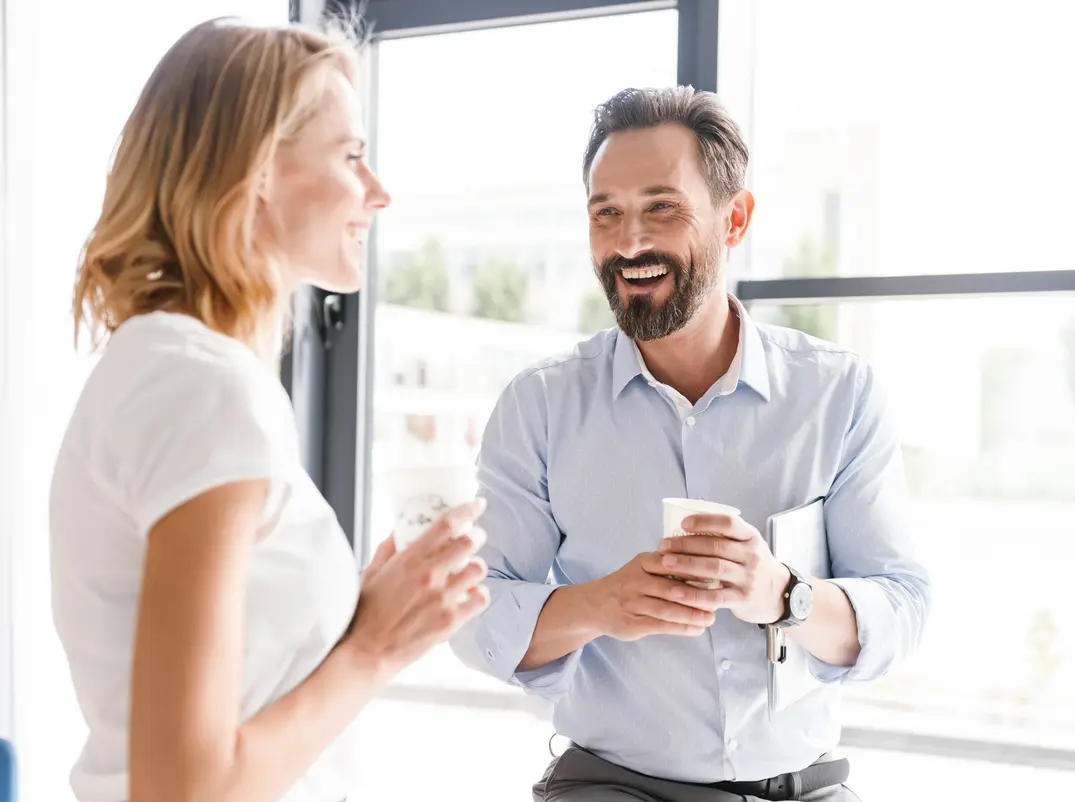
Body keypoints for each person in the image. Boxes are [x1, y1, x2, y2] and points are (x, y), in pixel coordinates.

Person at [48, 17, 490, 802]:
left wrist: (355, 615)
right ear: (253, 169)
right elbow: (180, 789)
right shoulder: (205, 388)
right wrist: (375, 647)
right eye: (351, 157)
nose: (378, 191)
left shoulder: (167, 366)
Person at [449, 86, 932, 801]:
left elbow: (901, 606)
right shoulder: (539, 406)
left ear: (733, 219)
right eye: (604, 213)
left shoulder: (838, 395)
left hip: (800, 788)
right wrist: (599, 604)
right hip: (610, 786)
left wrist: (783, 595)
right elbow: (475, 613)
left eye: (661, 208)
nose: (629, 243)